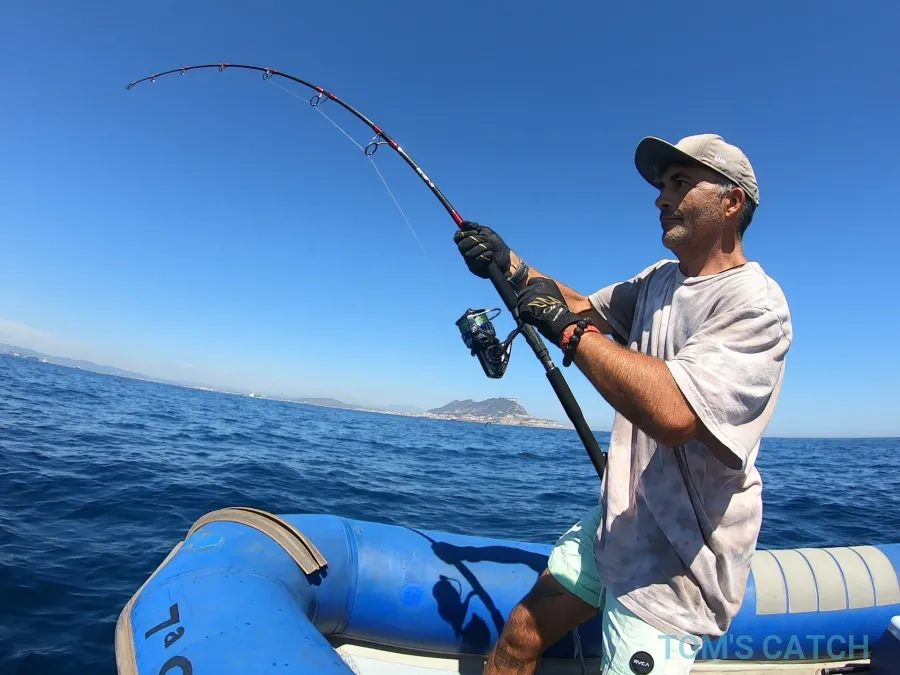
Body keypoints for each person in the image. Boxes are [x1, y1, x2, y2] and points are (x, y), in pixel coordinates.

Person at [454, 134, 793, 675]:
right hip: (619, 522)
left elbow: (675, 412)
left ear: (731, 202)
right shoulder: (658, 281)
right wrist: (507, 263)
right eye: (662, 185)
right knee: (519, 639)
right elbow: (576, 305)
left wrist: (570, 333)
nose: (661, 197)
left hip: (676, 567)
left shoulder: (756, 305)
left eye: (680, 183)